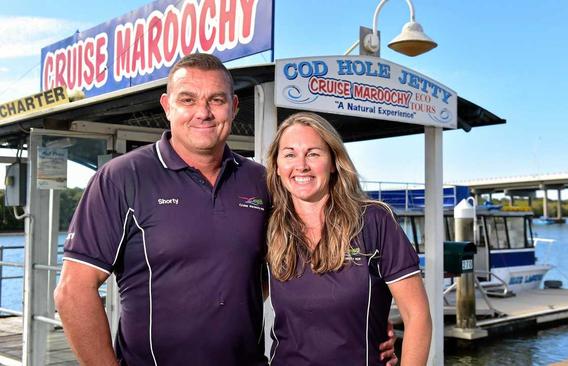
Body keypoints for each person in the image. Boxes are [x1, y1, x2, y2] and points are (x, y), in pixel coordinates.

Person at [54, 53, 397, 365]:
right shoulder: (121, 178)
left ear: (233, 106)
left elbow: (301, 264)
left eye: (216, 100)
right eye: (187, 100)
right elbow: (74, 291)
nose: (203, 112)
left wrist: (368, 324)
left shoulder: (261, 181)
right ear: (167, 106)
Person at [265, 112, 432, 365]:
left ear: (333, 162)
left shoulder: (374, 221)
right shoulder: (267, 226)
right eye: (289, 154)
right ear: (277, 166)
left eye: (313, 153)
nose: (301, 165)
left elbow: (417, 315)